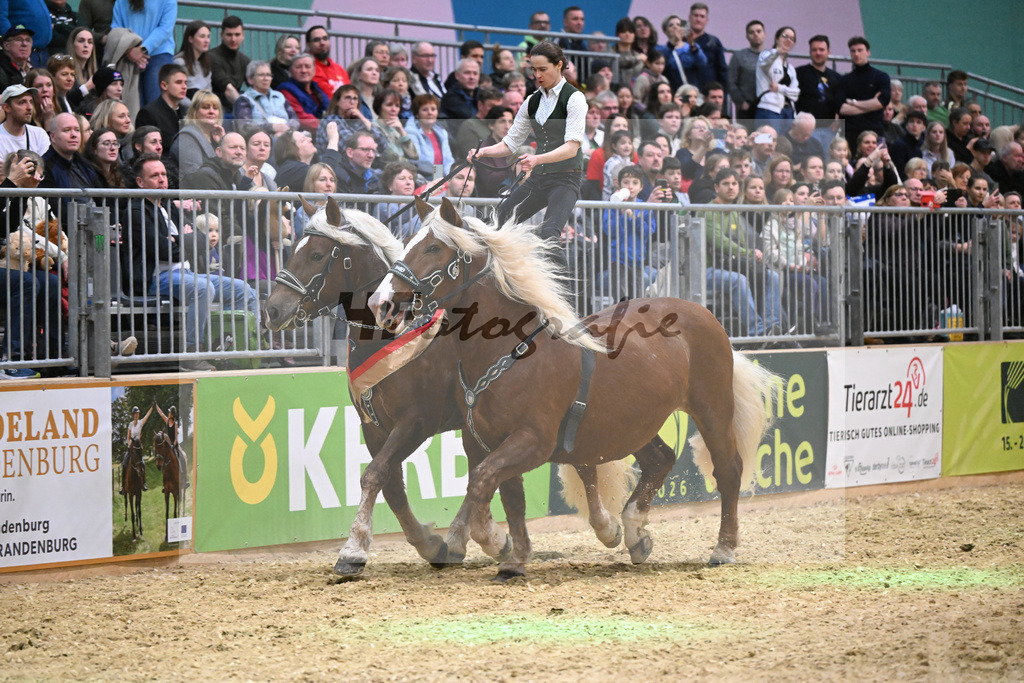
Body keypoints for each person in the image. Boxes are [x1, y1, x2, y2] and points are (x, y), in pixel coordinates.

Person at [124, 154, 258, 369]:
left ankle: (241, 350)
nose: (162, 180)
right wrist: (184, 241)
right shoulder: (136, 211)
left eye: (164, 174)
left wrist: (179, 241)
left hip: (186, 273)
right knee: (202, 288)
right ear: (140, 182)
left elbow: (202, 240)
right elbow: (165, 251)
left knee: (243, 289)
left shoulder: (168, 207)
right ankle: (192, 352)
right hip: (158, 277)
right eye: (154, 175)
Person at [467, 41, 585, 249]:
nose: (537, 75)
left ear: (559, 65)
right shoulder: (531, 101)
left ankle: (565, 284)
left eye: (542, 69)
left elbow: (572, 148)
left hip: (565, 179)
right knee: (493, 224)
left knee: (549, 234)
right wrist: (482, 152)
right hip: (539, 179)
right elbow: (510, 144)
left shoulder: (574, 98)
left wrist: (537, 158)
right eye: (533, 70)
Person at [601, 164, 666, 301]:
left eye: (635, 183)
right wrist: (621, 214)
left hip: (637, 260)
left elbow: (648, 231)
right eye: (626, 182)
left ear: (641, 187)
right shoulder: (612, 205)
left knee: (637, 298)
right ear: (619, 185)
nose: (630, 186)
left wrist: (634, 217)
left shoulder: (645, 207)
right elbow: (608, 230)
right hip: (617, 260)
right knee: (621, 299)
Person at [110, 0, 175, 107]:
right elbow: (116, 29)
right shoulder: (121, 2)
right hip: (129, 55)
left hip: (159, 54)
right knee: (131, 103)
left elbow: (165, 28)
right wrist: (128, 49)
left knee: (156, 104)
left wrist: (142, 49)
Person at [837, 36, 890, 144]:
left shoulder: (881, 77)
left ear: (868, 52)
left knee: (880, 161)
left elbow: (881, 102)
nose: (856, 54)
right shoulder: (844, 80)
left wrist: (853, 102)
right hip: (851, 133)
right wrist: (871, 105)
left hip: (876, 132)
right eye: (853, 51)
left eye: (860, 50)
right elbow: (841, 109)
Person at [794, 34, 841, 151]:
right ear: (810, 52)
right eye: (814, 50)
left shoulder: (836, 77)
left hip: (828, 130)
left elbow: (841, 101)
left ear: (828, 52)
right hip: (804, 130)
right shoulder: (799, 73)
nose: (818, 53)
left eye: (821, 50)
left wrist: (839, 119)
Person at [314, 83, 379, 156]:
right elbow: (351, 144)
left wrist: (362, 118)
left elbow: (383, 144)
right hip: (334, 165)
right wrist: (373, 146)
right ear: (337, 102)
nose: (352, 102)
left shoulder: (358, 121)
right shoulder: (331, 120)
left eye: (355, 99)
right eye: (348, 98)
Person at [232, 60, 296, 134]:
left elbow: (295, 119)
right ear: (250, 79)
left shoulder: (280, 96)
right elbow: (245, 126)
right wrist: (271, 127)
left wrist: (287, 127)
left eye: (268, 75)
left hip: (287, 135)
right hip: (261, 140)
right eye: (261, 75)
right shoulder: (243, 100)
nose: (266, 79)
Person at [755, 26, 799, 133]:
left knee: (784, 147)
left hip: (788, 113)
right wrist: (777, 51)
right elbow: (765, 63)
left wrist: (779, 88)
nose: (788, 40)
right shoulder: (765, 55)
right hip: (768, 109)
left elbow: (795, 94)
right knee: (765, 142)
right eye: (785, 36)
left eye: (791, 39)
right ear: (776, 38)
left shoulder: (790, 68)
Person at [134, 62, 186, 152]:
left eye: (185, 83)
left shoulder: (186, 111)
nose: (184, 87)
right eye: (178, 82)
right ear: (164, 85)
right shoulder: (148, 113)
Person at [171, 89, 222, 177]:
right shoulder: (186, 139)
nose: (211, 111)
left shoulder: (216, 139)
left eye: (215, 108)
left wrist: (222, 142)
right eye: (205, 107)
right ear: (194, 112)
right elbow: (198, 178)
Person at [207, 15, 249, 115]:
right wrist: (245, 110)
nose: (233, 39)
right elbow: (227, 89)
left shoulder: (244, 60)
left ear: (243, 35)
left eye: (237, 34)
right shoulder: (211, 57)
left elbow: (256, 86)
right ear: (222, 35)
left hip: (234, 108)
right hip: (215, 110)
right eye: (229, 35)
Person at [407, 93, 452, 182]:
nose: (430, 113)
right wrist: (439, 177)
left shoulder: (442, 133)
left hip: (440, 177)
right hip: (421, 177)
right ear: (417, 114)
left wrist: (450, 176)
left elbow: (449, 160)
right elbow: (418, 160)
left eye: (433, 109)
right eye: (425, 110)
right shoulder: (410, 131)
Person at [276, 54, 327, 133]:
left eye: (307, 66)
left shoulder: (317, 89)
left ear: (314, 70)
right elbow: (302, 119)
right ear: (290, 70)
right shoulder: (285, 91)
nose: (303, 70)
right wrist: (328, 127)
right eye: (298, 67)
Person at [685, 3, 727, 92]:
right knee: (685, 106)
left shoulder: (714, 42)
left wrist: (722, 93)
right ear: (689, 17)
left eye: (702, 16)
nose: (698, 19)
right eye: (695, 15)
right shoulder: (681, 41)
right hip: (685, 92)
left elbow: (722, 70)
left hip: (708, 94)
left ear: (706, 20)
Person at [727, 19, 763, 122]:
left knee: (765, 137)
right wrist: (741, 102)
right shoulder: (739, 56)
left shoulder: (771, 57)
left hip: (766, 108)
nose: (755, 34)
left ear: (764, 34)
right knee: (744, 137)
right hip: (746, 108)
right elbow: (731, 82)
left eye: (759, 31)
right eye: (751, 32)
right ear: (747, 36)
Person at [373, 87, 418, 168]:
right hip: (389, 174)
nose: (394, 109)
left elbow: (414, 155)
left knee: (439, 174)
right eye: (389, 105)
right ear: (379, 106)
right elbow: (391, 157)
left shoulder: (397, 128)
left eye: (397, 106)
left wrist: (402, 131)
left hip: (409, 171)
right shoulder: (374, 128)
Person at [0, 84, 49, 159]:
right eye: (22, 102)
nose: (29, 107)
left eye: (30, 102)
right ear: (6, 107)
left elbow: (45, 168)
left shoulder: (39, 134)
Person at [659, 14, 704, 93]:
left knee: (689, 102)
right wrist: (673, 43)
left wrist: (692, 44)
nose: (675, 27)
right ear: (665, 31)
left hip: (693, 91)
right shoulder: (663, 50)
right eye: (671, 25)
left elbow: (702, 62)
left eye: (678, 24)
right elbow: (663, 62)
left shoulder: (691, 46)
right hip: (676, 92)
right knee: (683, 102)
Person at [452, 86, 500, 160]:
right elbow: (472, 158)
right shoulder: (469, 126)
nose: (496, 111)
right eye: (492, 106)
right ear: (480, 105)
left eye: (499, 107)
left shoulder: (499, 126)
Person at [375, 160, 419, 239]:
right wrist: (418, 202)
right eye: (402, 179)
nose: (408, 182)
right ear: (390, 185)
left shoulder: (416, 204)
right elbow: (398, 218)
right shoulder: (383, 204)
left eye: (410, 178)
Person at [439, 58, 479, 137]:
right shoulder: (450, 98)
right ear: (457, 75)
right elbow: (470, 118)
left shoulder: (481, 94)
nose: (472, 77)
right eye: (467, 73)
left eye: (475, 73)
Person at [172, 19, 211, 100]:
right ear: (190, 39)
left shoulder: (205, 64)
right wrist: (195, 108)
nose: (206, 40)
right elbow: (176, 94)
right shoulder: (179, 62)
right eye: (202, 36)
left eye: (208, 36)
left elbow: (209, 91)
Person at [306, 24, 348, 98]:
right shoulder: (307, 69)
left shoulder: (340, 69)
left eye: (325, 38)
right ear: (308, 45)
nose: (322, 43)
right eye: (316, 40)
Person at [119, 404, 153, 494]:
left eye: (138, 413)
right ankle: (123, 487)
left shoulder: (141, 422)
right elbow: (128, 437)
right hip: (131, 448)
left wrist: (152, 407)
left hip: (138, 448)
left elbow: (147, 416)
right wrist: (130, 445)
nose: (137, 415)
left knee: (143, 464)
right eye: (135, 413)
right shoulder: (130, 424)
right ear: (133, 414)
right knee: (125, 464)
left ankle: (144, 484)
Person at [153, 402, 189, 490]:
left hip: (175, 445)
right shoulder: (167, 421)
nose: (168, 414)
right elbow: (161, 414)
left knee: (183, 457)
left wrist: (174, 445)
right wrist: (156, 405)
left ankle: (185, 478)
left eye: (169, 412)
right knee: (163, 460)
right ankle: (165, 484)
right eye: (168, 412)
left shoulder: (175, 424)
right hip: (168, 446)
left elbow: (176, 438)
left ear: (172, 415)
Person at [335, 131, 382, 195]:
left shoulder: (374, 179)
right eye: (365, 149)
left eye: (373, 151)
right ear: (350, 152)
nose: (371, 155)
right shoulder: (337, 176)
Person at [347, 56, 380, 122]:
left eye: (377, 70)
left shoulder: (380, 98)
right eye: (369, 69)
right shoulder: (352, 99)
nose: (374, 73)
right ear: (359, 75)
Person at [0, 25, 32, 91]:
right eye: (19, 39)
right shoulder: (2, 71)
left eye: (28, 40)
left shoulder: (32, 69)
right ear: (6, 46)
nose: (24, 44)